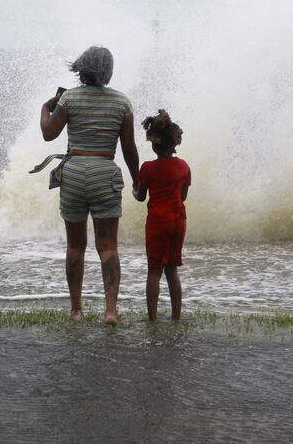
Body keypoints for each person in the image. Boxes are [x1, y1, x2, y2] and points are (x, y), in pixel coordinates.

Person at [40, 46, 139, 325]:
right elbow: (129, 149)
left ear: (80, 69)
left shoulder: (69, 99)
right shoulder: (122, 103)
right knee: (108, 247)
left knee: (75, 246)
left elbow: (49, 134)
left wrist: (45, 107)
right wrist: (137, 182)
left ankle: (76, 309)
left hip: (73, 173)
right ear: (108, 71)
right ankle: (110, 311)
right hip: (104, 173)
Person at [133, 109, 189, 322]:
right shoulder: (183, 166)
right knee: (172, 271)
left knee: (154, 271)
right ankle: (176, 316)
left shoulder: (147, 168)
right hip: (178, 222)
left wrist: (133, 189)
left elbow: (140, 196)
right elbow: (183, 196)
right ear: (174, 143)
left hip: (157, 223)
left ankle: (153, 318)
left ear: (154, 144)